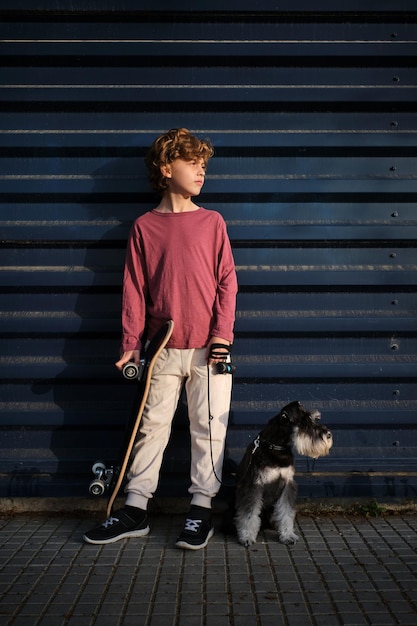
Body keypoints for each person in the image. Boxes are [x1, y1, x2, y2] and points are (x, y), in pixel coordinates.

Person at [84, 128, 238, 549]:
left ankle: (201, 509)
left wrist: (222, 336)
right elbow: (134, 289)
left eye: (204, 164)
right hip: (162, 350)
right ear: (166, 169)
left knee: (209, 429)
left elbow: (227, 282)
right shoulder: (144, 228)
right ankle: (134, 508)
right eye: (193, 163)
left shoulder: (212, 222)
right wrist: (131, 343)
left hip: (209, 349)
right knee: (151, 427)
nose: (201, 171)